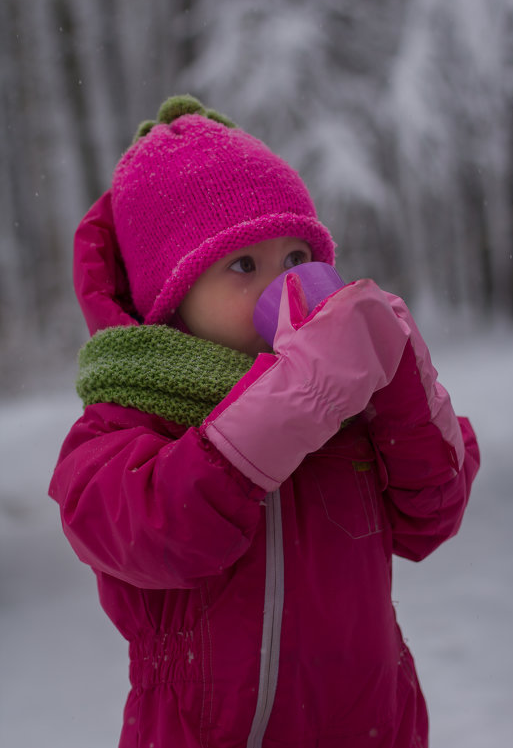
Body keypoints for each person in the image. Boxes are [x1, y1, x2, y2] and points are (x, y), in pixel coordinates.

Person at [50, 94, 480, 748]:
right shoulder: (126, 419)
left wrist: (399, 376)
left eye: (294, 258)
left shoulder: (344, 404)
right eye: (242, 265)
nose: (278, 284)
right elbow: (162, 531)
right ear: (170, 299)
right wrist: (288, 401)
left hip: (370, 723)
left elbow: (431, 516)